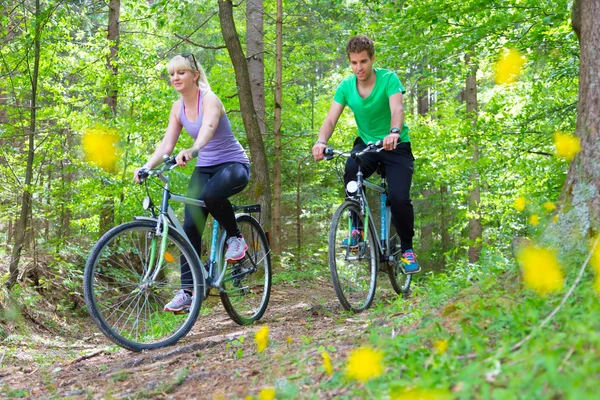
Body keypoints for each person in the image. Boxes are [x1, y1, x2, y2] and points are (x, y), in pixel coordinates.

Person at [134, 53, 251, 311]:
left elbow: (208, 127)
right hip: (206, 169)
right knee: (190, 228)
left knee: (211, 195)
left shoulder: (209, 99)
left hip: (233, 166)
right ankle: (188, 291)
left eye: (181, 73)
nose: (175, 77)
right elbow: (167, 144)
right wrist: (146, 166)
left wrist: (193, 149)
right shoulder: (177, 108)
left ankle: (236, 238)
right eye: (172, 74)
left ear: (194, 75)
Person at [311, 35, 420, 274]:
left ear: (372, 59)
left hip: (395, 145)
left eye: (363, 61)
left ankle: (407, 249)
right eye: (353, 63)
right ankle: (356, 229)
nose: (358, 68)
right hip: (368, 145)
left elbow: (397, 109)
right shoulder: (346, 86)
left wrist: (394, 132)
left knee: (399, 197)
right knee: (351, 169)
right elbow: (331, 118)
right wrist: (321, 141)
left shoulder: (389, 79)